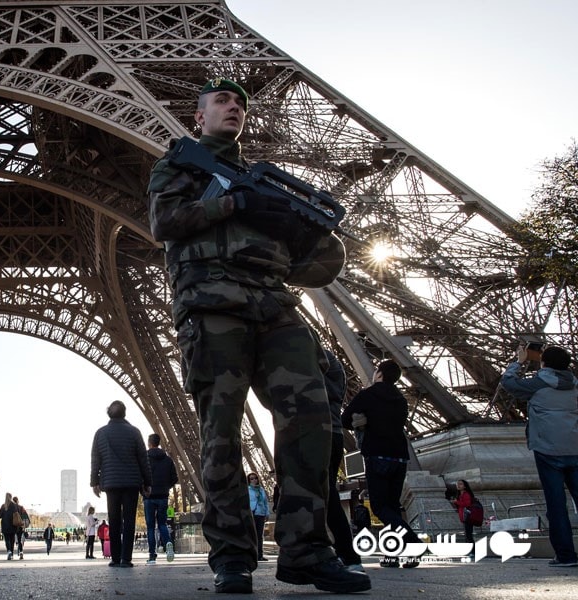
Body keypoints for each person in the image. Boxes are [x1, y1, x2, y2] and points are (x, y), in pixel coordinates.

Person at [147, 77, 370, 594]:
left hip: (274, 305)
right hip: (211, 306)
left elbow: (312, 263)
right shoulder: (180, 164)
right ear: (197, 116)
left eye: (240, 103)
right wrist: (233, 204)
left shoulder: (264, 181)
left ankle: (307, 552)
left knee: (313, 421)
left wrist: (293, 226)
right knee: (221, 432)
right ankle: (232, 557)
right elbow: (164, 222)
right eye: (221, 101)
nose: (234, 108)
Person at [501, 344, 578, 567]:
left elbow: (509, 383)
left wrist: (520, 361)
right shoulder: (574, 385)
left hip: (547, 449)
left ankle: (566, 556)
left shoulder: (537, 384)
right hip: (574, 447)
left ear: (543, 363)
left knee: (556, 506)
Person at [342, 359, 419, 569]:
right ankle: (393, 556)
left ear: (379, 374)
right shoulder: (401, 400)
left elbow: (345, 419)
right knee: (392, 507)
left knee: (379, 506)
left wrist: (362, 421)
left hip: (377, 455)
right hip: (400, 457)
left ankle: (413, 542)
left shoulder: (368, 395)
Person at [90, 400, 152, 568]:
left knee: (114, 521)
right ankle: (126, 559)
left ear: (109, 413)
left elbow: (96, 459)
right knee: (129, 521)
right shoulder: (134, 432)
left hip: (111, 482)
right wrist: (147, 482)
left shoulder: (101, 433)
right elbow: (143, 459)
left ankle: (115, 558)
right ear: (125, 413)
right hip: (132, 482)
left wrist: (94, 481)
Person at [322, 349, 363, 571]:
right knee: (327, 494)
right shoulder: (334, 363)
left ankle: (342, 553)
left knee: (322, 494)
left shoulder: (311, 356)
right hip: (334, 432)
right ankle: (345, 553)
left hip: (317, 432)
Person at [144, 433, 179, 565]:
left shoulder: (145, 458)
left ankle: (152, 556)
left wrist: (144, 488)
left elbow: (141, 475)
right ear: (159, 443)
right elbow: (174, 478)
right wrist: (165, 487)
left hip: (149, 496)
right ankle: (168, 542)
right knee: (163, 524)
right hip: (163, 496)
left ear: (149, 443)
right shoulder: (168, 460)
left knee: (151, 527)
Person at [246, 473, 270, 562]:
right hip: (252, 513)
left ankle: (260, 555)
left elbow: (265, 502)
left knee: (259, 535)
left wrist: (267, 513)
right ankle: (251, 555)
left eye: (255, 478)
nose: (254, 480)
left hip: (261, 513)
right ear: (248, 481)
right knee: (252, 535)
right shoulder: (247, 490)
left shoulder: (261, 490)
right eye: (251, 479)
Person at [450, 480, 478, 545]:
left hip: (468, 516)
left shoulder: (466, 494)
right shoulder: (460, 495)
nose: (458, 485)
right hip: (464, 517)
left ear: (465, 486)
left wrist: (456, 502)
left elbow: (467, 504)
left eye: (460, 484)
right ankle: (470, 551)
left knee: (468, 535)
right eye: (457, 484)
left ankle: (473, 551)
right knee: (467, 535)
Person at [0, 493, 20, 561]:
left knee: (7, 540)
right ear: (11, 497)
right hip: (13, 525)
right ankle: (12, 554)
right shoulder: (13, 505)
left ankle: (8, 551)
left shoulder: (3, 506)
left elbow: (0, 516)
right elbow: (17, 513)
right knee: (12, 540)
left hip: (5, 525)